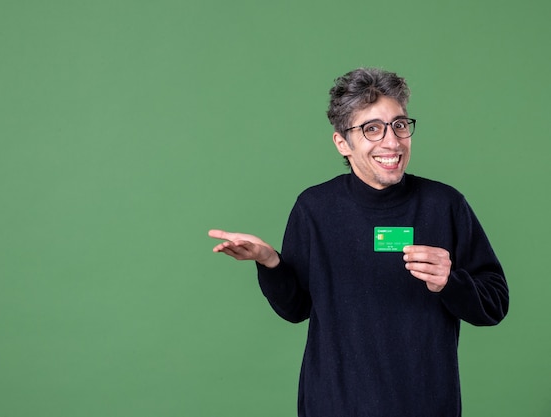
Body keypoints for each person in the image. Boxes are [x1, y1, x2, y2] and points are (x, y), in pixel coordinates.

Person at [208, 67, 509, 417]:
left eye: (399, 124)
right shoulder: (315, 208)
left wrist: (451, 281)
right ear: (342, 143)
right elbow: (295, 309)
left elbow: (495, 305)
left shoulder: (445, 205)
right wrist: (270, 262)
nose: (392, 142)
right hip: (334, 405)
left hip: (425, 405)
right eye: (372, 129)